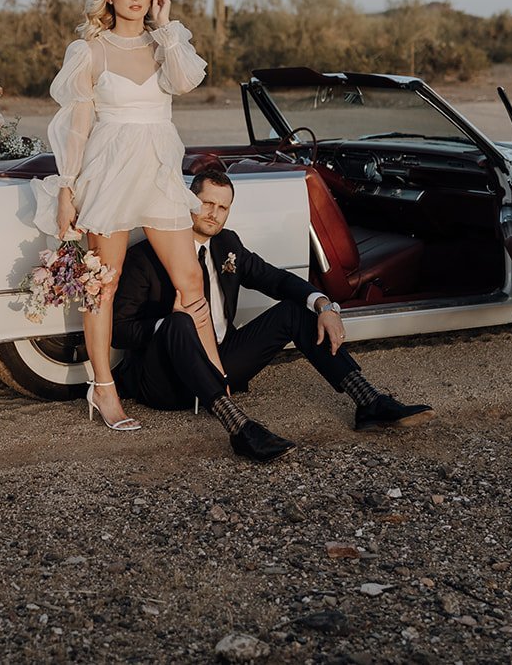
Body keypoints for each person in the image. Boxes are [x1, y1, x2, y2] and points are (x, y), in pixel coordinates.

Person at [111, 166, 435, 461]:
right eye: (207, 204)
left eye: (223, 208)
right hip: (166, 380)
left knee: (296, 310)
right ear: (188, 202)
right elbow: (120, 330)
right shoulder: (146, 257)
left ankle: (369, 402)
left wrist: (324, 304)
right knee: (179, 321)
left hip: (222, 361)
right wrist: (166, 323)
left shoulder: (228, 245)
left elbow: (276, 279)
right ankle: (239, 428)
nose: (214, 214)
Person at [33, 0, 214, 432]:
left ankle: (212, 380)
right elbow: (77, 127)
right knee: (103, 286)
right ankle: (104, 388)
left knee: (190, 278)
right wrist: (67, 189)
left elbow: (185, 82)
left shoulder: (166, 43)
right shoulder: (89, 50)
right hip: (110, 170)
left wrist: (167, 23)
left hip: (157, 170)